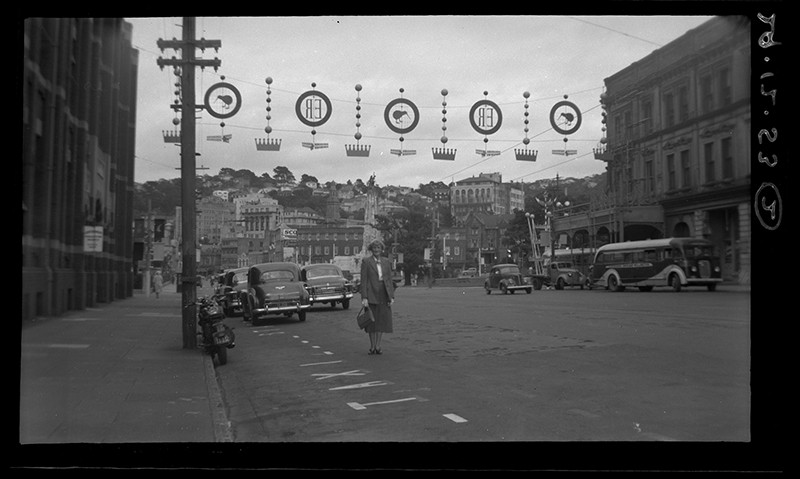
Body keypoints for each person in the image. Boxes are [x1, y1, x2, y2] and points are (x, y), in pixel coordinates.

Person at [360, 239, 395, 355]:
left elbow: (389, 279)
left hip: (383, 292)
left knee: (382, 320)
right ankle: (372, 345)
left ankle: (378, 345)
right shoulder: (366, 262)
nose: (376, 250)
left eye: (378, 248)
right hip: (371, 293)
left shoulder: (385, 261)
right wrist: (364, 297)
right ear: (371, 249)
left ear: (381, 249)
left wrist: (391, 296)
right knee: (371, 320)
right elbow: (364, 281)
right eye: (374, 248)